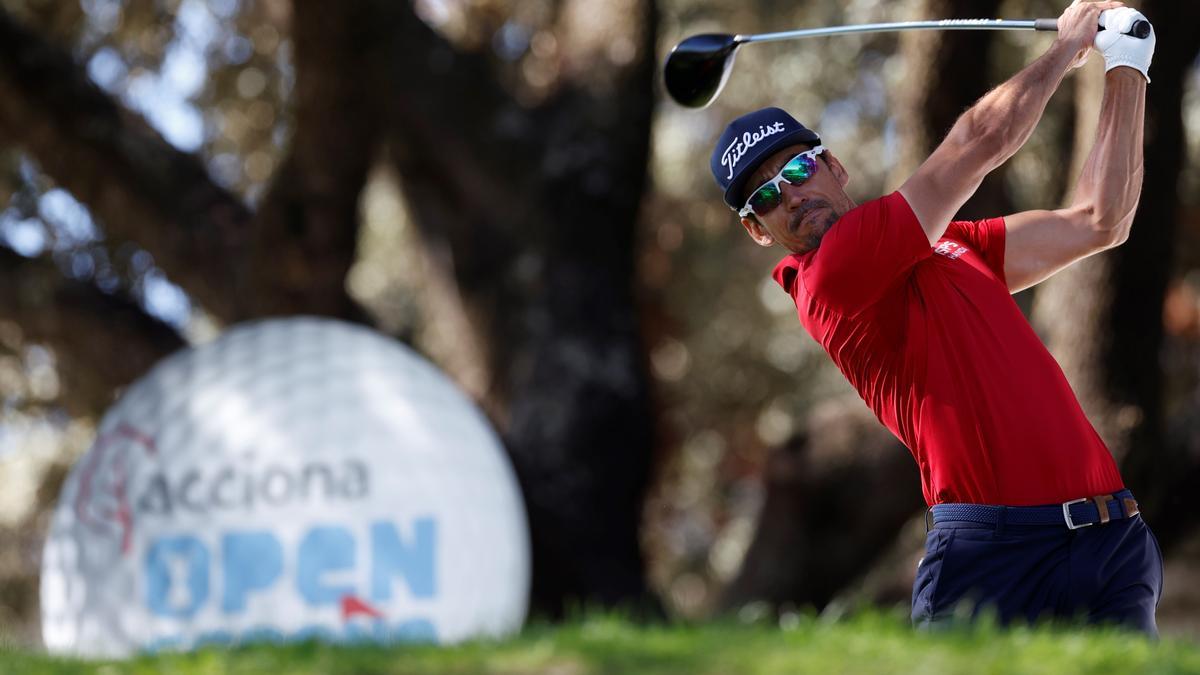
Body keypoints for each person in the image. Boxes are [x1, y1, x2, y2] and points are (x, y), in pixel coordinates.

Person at [708, 2, 1162, 634]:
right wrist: (1068, 48)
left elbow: (1100, 221)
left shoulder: (952, 247)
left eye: (797, 168)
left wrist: (1127, 64)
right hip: (994, 555)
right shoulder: (829, 277)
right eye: (764, 198)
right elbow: (976, 143)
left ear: (833, 166)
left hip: (1111, 540)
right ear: (760, 233)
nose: (791, 195)